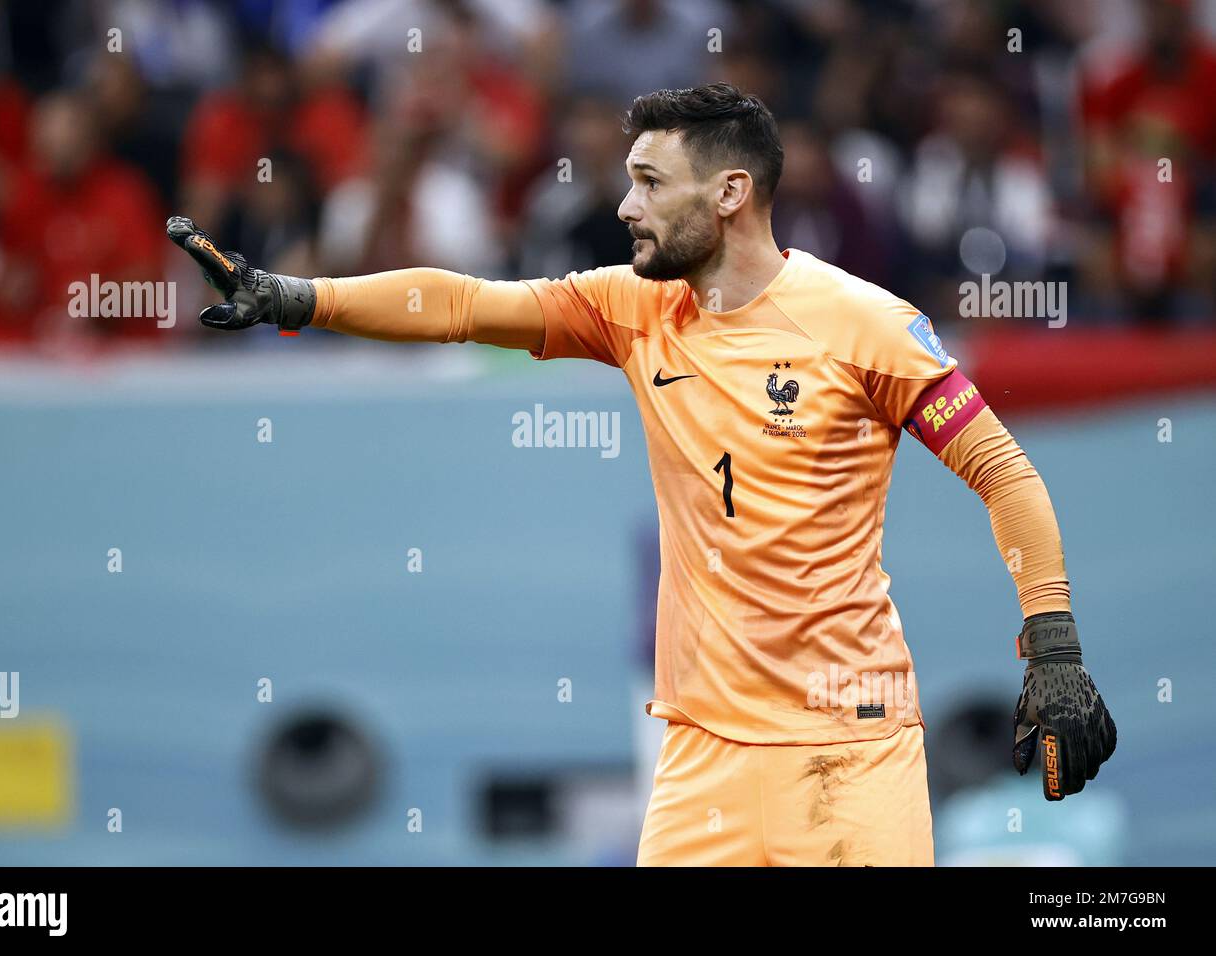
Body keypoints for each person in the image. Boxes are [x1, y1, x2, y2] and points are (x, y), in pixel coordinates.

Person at [166, 83, 1116, 866]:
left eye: (649, 183)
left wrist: (1054, 640)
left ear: (730, 194)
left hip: (848, 744)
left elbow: (1002, 470)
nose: (625, 208)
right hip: (701, 756)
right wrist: (296, 297)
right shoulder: (632, 309)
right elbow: (460, 304)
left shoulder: (862, 321)